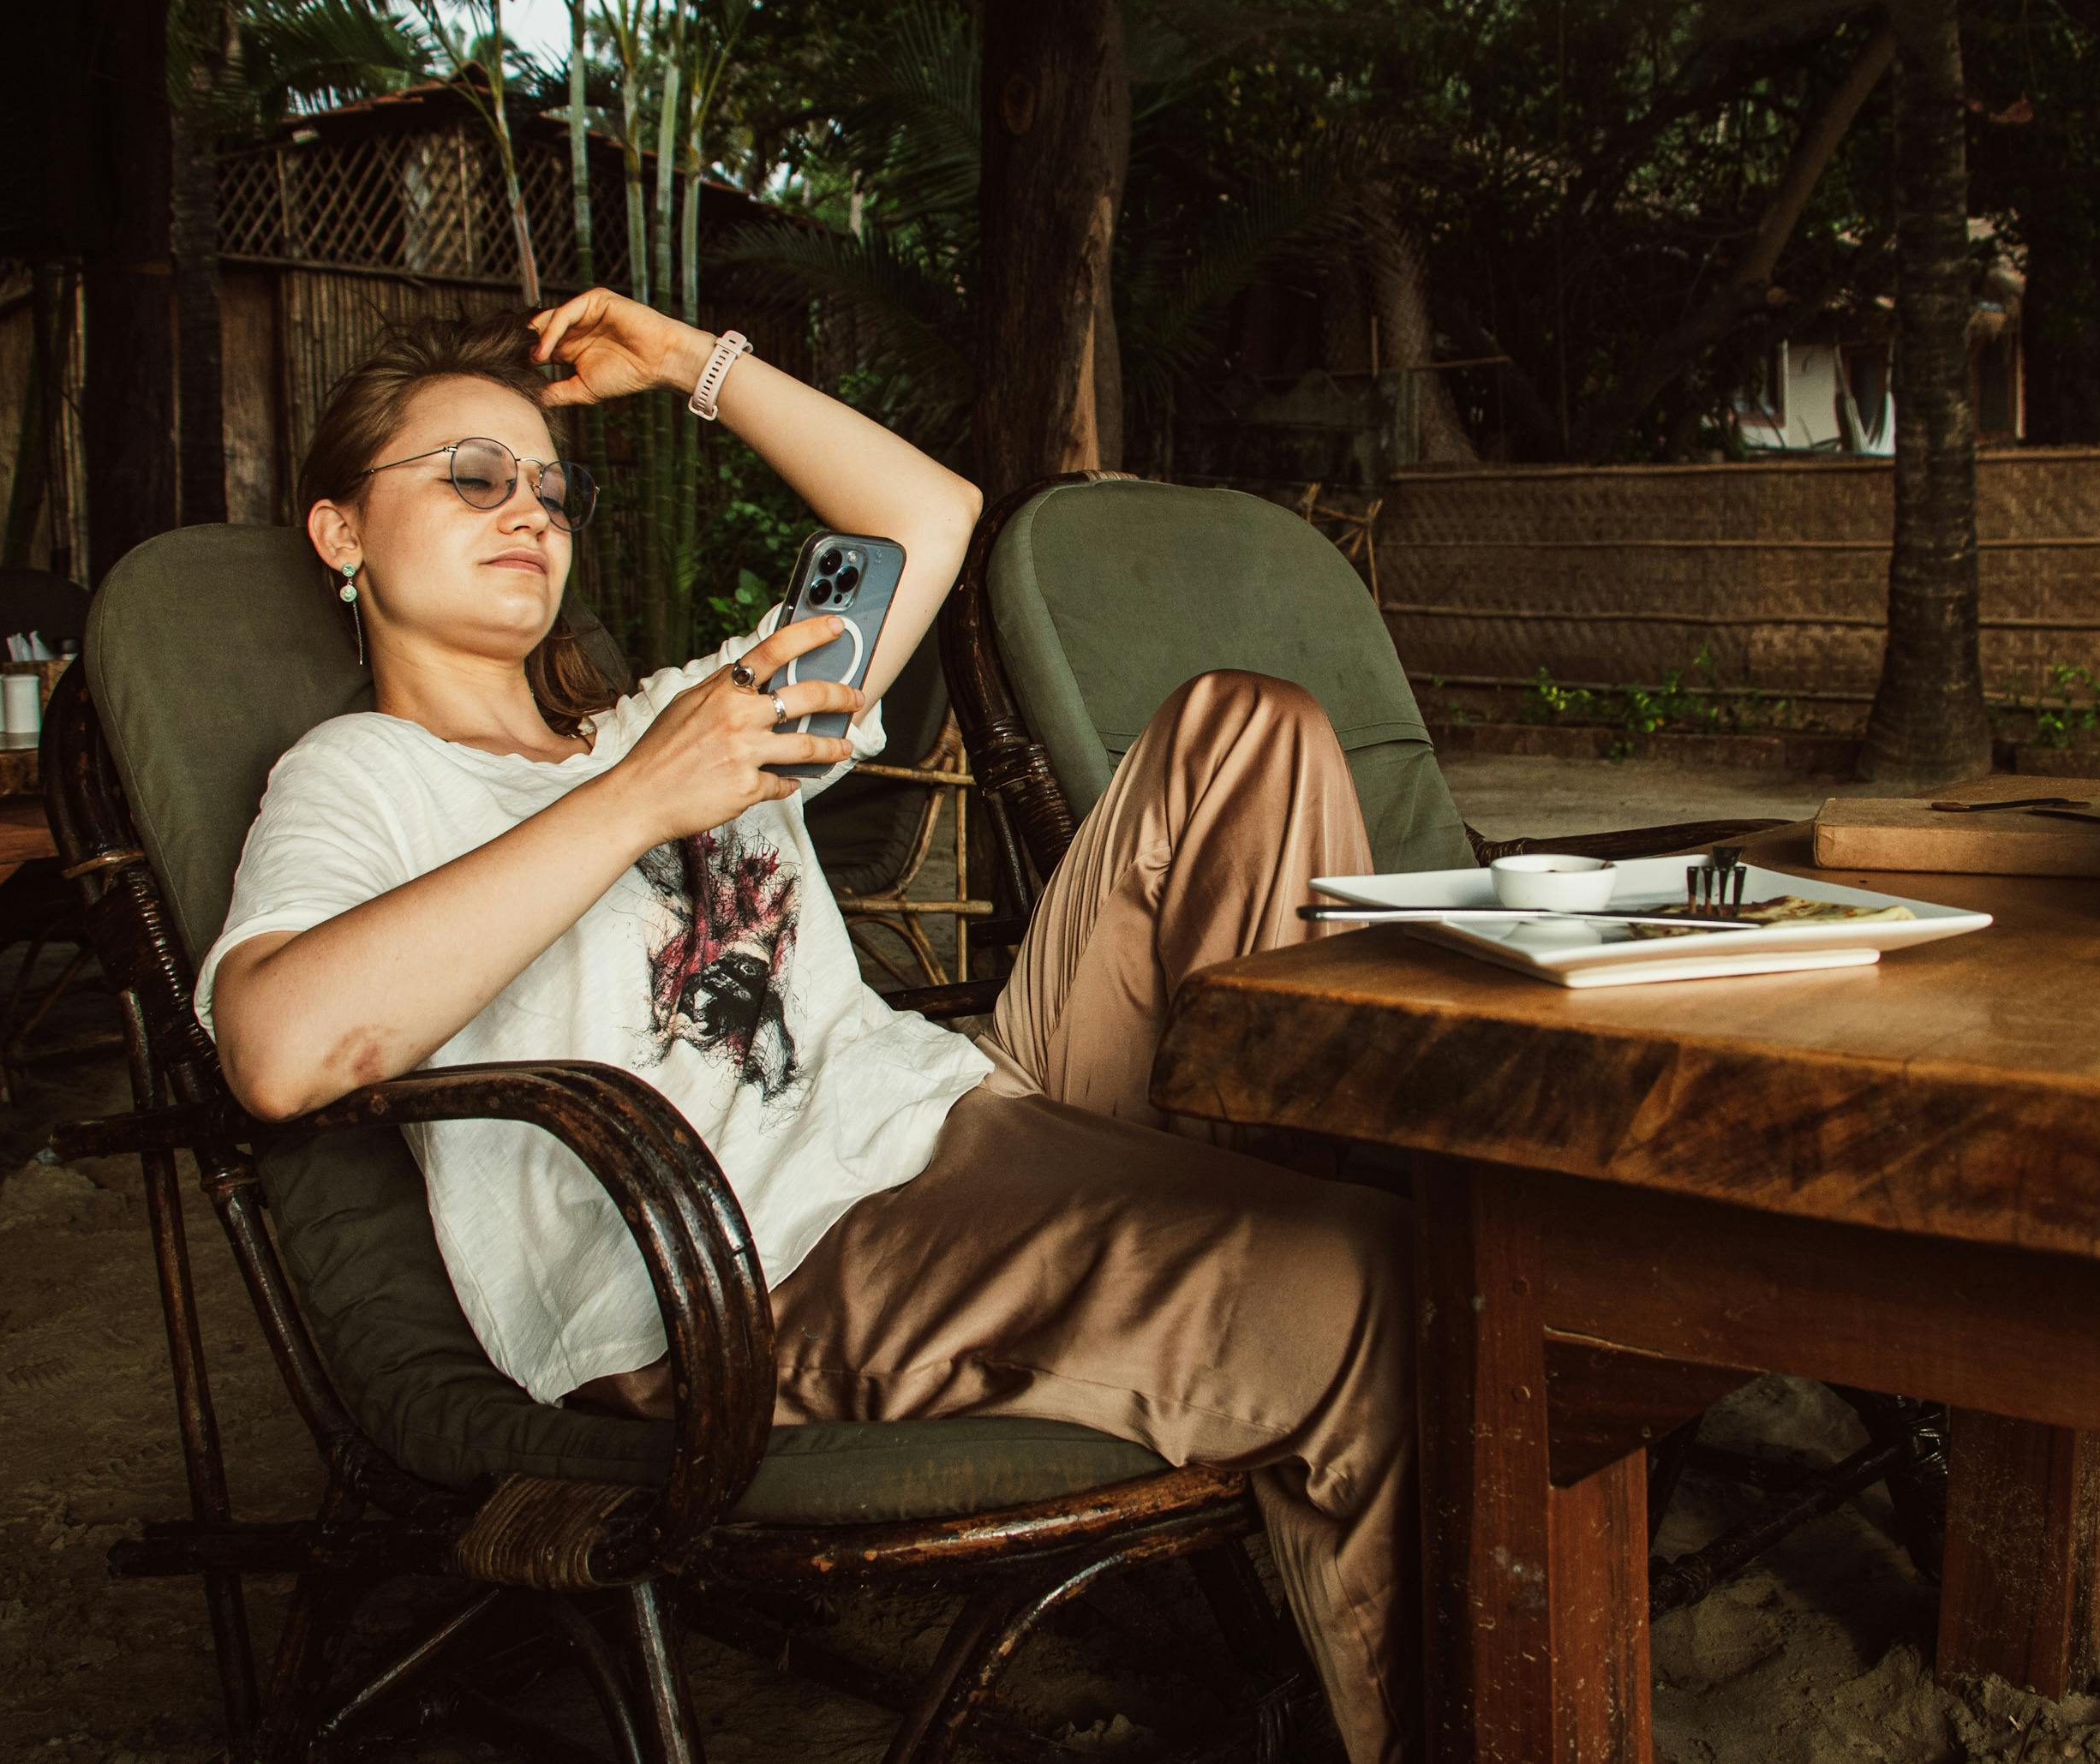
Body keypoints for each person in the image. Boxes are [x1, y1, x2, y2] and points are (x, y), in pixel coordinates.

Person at [195, 294, 1417, 1762]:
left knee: (1247, 728)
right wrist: (642, 796)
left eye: (548, 484)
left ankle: (1271, 1264)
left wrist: (689, 364)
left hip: (948, 1114)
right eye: (469, 475)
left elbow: (932, 516)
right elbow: (277, 1047)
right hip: (762, 1256)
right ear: (339, 534)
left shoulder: (678, 709)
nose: (526, 508)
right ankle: (1328, 1342)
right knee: (1379, 1283)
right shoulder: (362, 778)